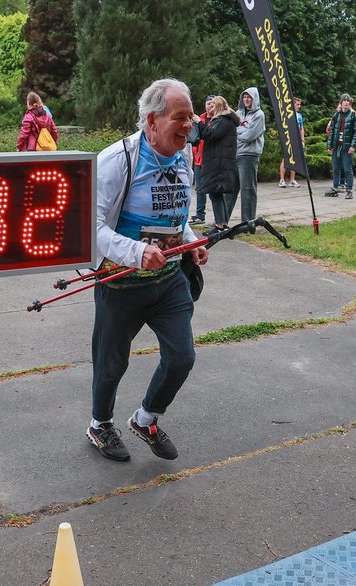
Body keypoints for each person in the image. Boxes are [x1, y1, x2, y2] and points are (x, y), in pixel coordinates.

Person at [87, 78, 209, 463]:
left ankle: (146, 418)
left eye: (191, 117)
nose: (189, 125)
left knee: (182, 357)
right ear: (152, 121)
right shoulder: (117, 160)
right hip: (121, 282)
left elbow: (176, 214)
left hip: (169, 280)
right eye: (181, 117)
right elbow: (92, 226)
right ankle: (100, 424)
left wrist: (192, 239)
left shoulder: (184, 154)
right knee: (111, 364)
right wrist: (137, 252)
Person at [194, 95, 240, 230]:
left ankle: (220, 225)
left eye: (213, 105)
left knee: (215, 193)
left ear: (219, 106)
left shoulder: (223, 120)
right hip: (219, 161)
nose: (210, 108)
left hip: (218, 163)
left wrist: (199, 122)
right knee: (217, 194)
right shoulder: (224, 120)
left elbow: (211, 135)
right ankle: (223, 225)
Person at [225, 87, 265, 223]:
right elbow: (231, 131)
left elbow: (249, 136)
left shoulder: (259, 115)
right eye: (245, 97)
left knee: (247, 190)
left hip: (249, 156)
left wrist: (238, 132)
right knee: (229, 189)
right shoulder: (238, 113)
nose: (246, 100)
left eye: (249, 97)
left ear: (254, 99)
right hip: (235, 154)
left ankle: (247, 222)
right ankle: (222, 220)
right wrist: (240, 131)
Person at [325, 94, 356, 200]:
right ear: (340, 104)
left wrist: (353, 146)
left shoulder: (354, 116)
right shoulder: (336, 116)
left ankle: (349, 190)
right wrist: (330, 145)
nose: (345, 106)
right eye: (344, 104)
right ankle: (335, 188)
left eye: (347, 104)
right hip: (337, 146)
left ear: (349, 105)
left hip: (347, 147)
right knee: (336, 168)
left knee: (347, 169)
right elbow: (332, 131)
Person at [189, 95, 213, 224]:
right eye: (208, 103)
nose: (210, 106)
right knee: (199, 189)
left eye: (212, 103)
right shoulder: (199, 118)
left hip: (211, 159)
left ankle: (219, 217)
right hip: (198, 158)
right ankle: (200, 214)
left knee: (214, 189)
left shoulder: (218, 119)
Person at [278, 96, 304, 188]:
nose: (299, 106)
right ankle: (282, 179)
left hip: (297, 139)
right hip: (288, 139)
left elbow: (301, 128)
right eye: (297, 104)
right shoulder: (287, 114)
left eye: (299, 104)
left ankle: (292, 179)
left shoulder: (299, 115)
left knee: (295, 159)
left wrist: (302, 140)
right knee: (286, 158)